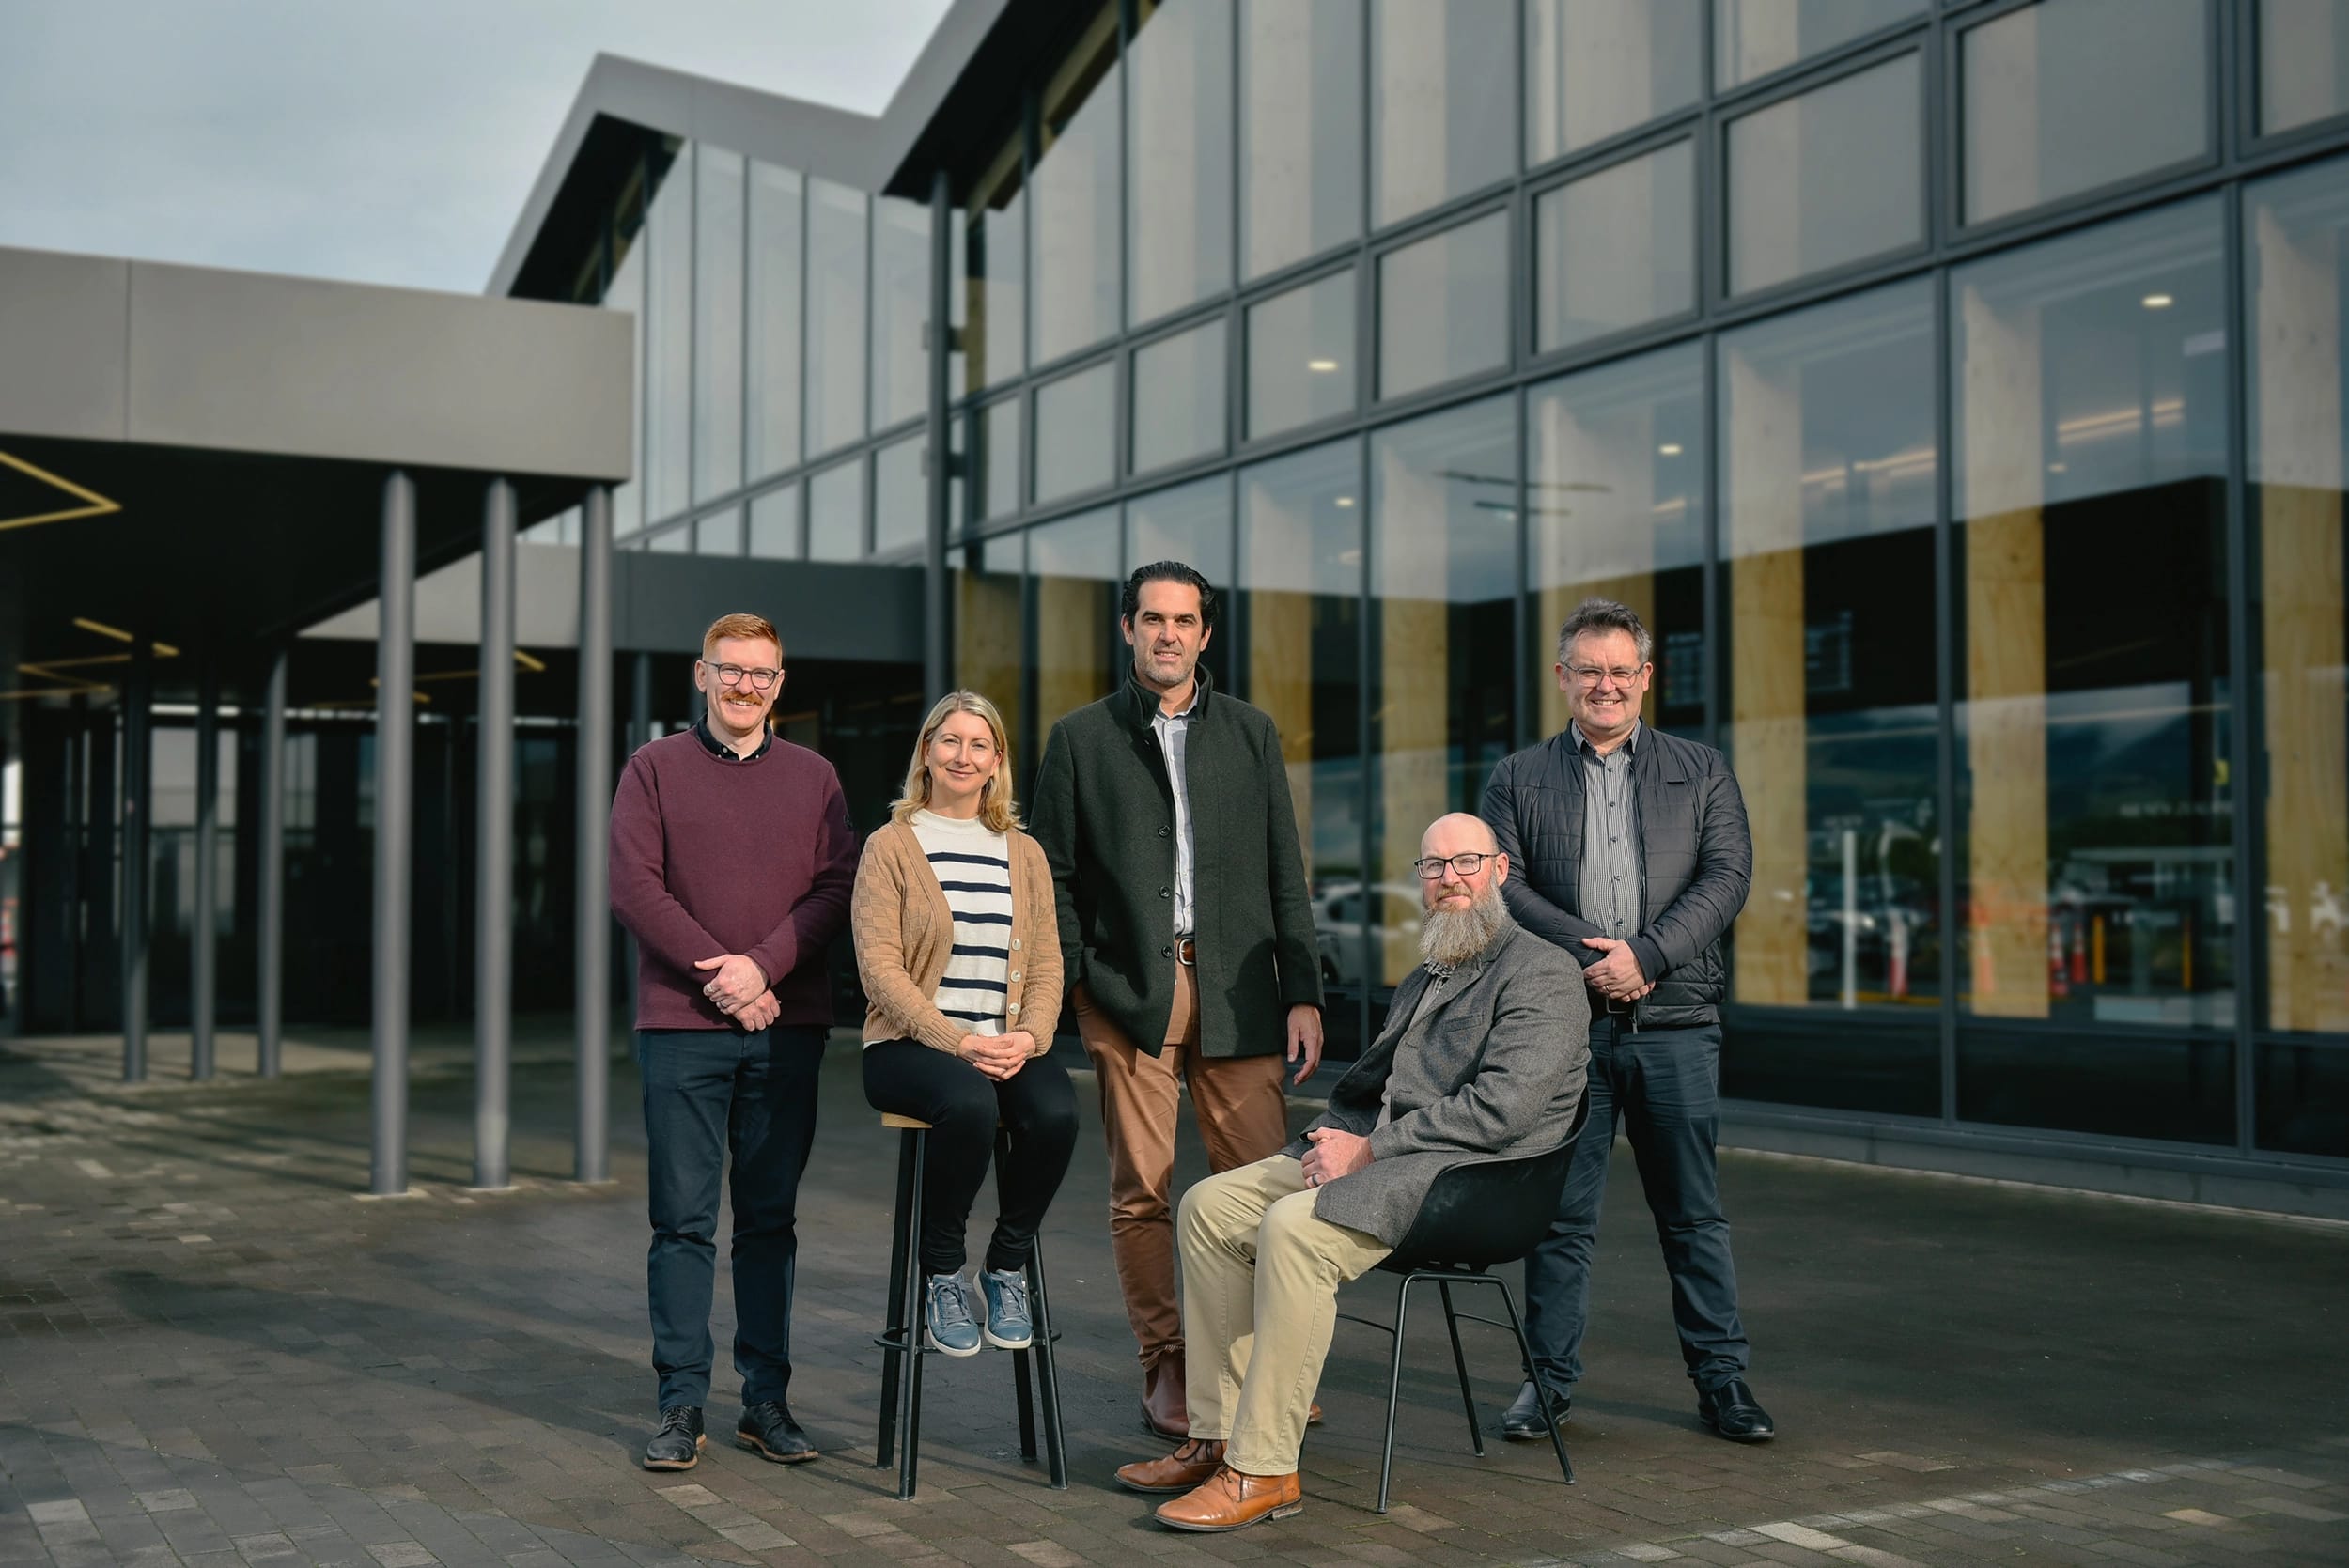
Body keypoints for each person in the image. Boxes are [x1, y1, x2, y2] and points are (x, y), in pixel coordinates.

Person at [1112, 813, 1588, 1532]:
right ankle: (1215, 1433)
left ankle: (1265, 1466)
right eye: (1433, 866)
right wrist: (1344, 1140)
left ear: (1499, 871)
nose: (1449, 878)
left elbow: (1504, 1110)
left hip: (1473, 1180)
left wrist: (1365, 1153)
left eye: (1466, 862)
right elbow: (1384, 1091)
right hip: (1392, 1157)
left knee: (1293, 1229)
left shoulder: (1544, 970)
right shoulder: (1436, 964)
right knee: (1209, 1205)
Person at [1028, 560, 1326, 1438]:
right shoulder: (1080, 739)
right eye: (1151, 618)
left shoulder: (1252, 733)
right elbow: (1053, 877)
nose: (1168, 633)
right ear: (1128, 629)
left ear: (1205, 633)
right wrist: (1083, 981)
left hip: (1242, 991)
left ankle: (1268, 1363)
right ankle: (1168, 1362)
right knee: (1143, 1191)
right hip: (1129, 997)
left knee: (1266, 1190)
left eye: (1184, 620)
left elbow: (1285, 871)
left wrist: (1302, 990)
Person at [1479, 597, 1770, 1444]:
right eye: (1589, 670)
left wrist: (1648, 955)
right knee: (1561, 1219)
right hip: (1569, 1029)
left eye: (1621, 671)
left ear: (1645, 678)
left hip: (1677, 1025)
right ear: (1563, 677)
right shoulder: (1517, 776)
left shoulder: (1701, 767)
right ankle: (1548, 1384)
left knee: (1693, 1214)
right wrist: (1593, 955)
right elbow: (1505, 883)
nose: (1605, 685)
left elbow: (1728, 876)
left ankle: (1724, 1383)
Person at [609, 613, 857, 1472]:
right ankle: (681, 1402)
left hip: (786, 1029)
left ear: (779, 684)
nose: (747, 684)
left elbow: (836, 889)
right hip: (682, 1029)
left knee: (768, 1222)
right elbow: (634, 886)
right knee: (680, 1223)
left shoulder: (817, 777)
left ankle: (765, 1401)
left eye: (762, 672)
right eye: (731, 670)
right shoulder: (653, 769)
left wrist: (761, 968)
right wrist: (723, 978)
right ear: (701, 676)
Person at [852, 691, 1076, 1358]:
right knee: (970, 1103)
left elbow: (1046, 961)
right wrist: (959, 1040)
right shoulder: (891, 846)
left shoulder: (1023, 851)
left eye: (979, 744)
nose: (963, 754)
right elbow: (880, 969)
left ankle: (1005, 1267)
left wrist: (1030, 1038)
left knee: (1058, 1113)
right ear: (927, 750)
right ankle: (942, 1273)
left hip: (1004, 1040)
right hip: (908, 1046)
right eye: (949, 740)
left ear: (996, 761)